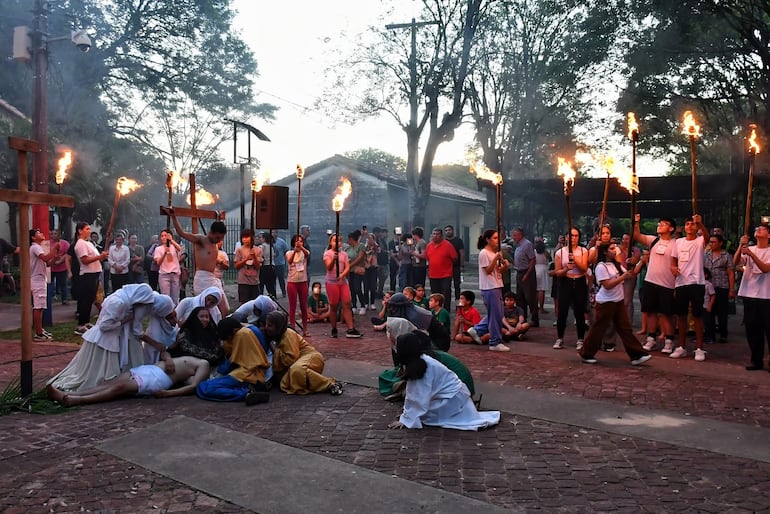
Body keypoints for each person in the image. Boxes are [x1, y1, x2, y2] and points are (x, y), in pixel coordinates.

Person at [49, 284, 159, 392]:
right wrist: (124, 321)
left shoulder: (123, 298)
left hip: (110, 338)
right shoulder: (118, 302)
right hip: (104, 340)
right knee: (98, 372)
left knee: (100, 371)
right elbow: (104, 326)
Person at [387, 331, 500, 430]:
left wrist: (407, 419)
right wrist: (408, 414)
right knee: (423, 413)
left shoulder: (421, 365)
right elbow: (415, 394)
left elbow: (417, 396)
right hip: (455, 396)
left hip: (453, 399)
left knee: (427, 417)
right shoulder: (421, 361)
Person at [578, 242, 651, 366]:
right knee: (598, 329)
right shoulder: (601, 266)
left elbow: (630, 274)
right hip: (606, 302)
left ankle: (637, 354)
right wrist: (622, 277)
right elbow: (607, 285)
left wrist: (634, 263)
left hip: (618, 300)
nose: (615, 250)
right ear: (605, 252)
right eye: (612, 248)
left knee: (625, 329)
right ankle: (586, 353)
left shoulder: (615, 265)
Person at [48, 356, 210, 406]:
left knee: (119, 387)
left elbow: (194, 386)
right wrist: (167, 357)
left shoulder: (203, 364)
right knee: (108, 384)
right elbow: (164, 349)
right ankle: (71, 393)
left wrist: (168, 393)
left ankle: (76, 400)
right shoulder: (189, 350)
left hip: (159, 379)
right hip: (149, 369)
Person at [195, 316, 271, 404]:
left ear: (234, 331)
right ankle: (247, 391)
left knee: (205, 387)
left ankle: (247, 392)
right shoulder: (245, 330)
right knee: (202, 387)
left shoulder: (242, 333)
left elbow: (233, 362)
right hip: (245, 374)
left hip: (247, 375)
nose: (228, 341)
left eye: (228, 338)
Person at [264, 311, 343, 395]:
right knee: (287, 379)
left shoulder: (288, 335)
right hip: (299, 361)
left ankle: (330, 384)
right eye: (266, 325)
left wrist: (275, 350)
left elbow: (291, 359)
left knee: (296, 370)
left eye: (270, 325)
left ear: (278, 326)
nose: (266, 328)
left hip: (312, 357)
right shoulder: (277, 336)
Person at [634, 213, 677, 354]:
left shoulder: (675, 244)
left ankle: (669, 341)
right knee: (651, 312)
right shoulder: (653, 241)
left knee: (665, 314)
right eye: (659, 224)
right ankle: (651, 339)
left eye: (663, 224)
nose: (659, 225)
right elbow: (637, 236)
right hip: (650, 282)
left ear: (671, 229)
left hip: (667, 284)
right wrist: (636, 222)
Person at [167, 207, 227, 306]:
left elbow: (217, 227)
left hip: (213, 278)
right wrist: (173, 216)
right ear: (211, 233)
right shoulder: (201, 240)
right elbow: (182, 233)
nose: (219, 240)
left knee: (224, 309)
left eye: (221, 238)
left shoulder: (215, 242)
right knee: (204, 307)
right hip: (202, 278)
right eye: (217, 237)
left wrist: (218, 218)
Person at [669, 214, 708, 361]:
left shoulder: (699, 241)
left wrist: (701, 223)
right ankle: (682, 347)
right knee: (681, 316)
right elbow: (673, 260)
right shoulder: (678, 242)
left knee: (697, 316)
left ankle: (699, 348)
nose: (690, 226)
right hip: (681, 283)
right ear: (684, 227)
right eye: (687, 224)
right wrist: (673, 267)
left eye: (692, 224)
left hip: (696, 282)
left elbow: (707, 236)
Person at [734, 225, 770, 371]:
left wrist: (751, 254)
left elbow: (765, 268)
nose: (758, 230)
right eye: (757, 228)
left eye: (763, 229)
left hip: (767, 295)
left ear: (769, 235)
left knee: (769, 329)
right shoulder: (750, 248)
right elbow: (736, 262)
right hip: (750, 293)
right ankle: (756, 360)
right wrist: (740, 246)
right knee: (753, 329)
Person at [553, 227, 589, 350]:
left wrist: (575, 259)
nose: (573, 238)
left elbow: (584, 268)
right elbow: (557, 272)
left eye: (576, 236)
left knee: (579, 311)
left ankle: (580, 339)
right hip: (565, 281)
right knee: (562, 312)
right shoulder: (560, 252)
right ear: (567, 237)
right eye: (571, 236)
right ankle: (560, 338)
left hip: (579, 281)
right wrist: (566, 269)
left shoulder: (583, 250)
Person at [478, 229, 511, 352]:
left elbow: (497, 270)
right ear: (488, 239)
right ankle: (495, 341)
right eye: (495, 238)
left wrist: (505, 266)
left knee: (498, 314)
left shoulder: (494, 253)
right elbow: (487, 270)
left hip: (496, 284)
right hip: (489, 287)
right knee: (495, 315)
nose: (497, 241)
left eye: (498, 238)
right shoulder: (484, 253)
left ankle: (477, 330)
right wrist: (495, 259)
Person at [324, 233, 362, 338]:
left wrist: (342, 275)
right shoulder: (328, 253)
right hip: (332, 282)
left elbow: (347, 267)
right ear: (331, 242)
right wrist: (333, 259)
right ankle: (334, 327)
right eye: (335, 240)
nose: (337, 243)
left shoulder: (344, 254)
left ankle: (350, 328)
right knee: (334, 305)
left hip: (343, 282)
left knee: (346, 303)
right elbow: (329, 267)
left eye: (339, 240)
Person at [73, 222, 109, 335]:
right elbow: (85, 260)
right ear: (80, 230)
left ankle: (86, 322)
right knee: (85, 300)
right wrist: (100, 256)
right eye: (87, 229)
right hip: (87, 275)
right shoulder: (80, 244)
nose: (89, 231)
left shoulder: (89, 243)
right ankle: (81, 324)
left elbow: (95, 258)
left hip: (94, 274)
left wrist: (102, 256)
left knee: (90, 300)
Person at [704, 233, 735, 344]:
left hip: (722, 286)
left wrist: (732, 289)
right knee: (709, 311)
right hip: (708, 288)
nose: (711, 244)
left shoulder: (726, 256)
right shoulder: (706, 255)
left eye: (714, 242)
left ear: (720, 243)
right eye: (710, 242)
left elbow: (731, 273)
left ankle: (723, 335)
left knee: (722, 312)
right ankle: (709, 335)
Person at [29, 229, 57, 341]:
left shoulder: (38, 247)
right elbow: (45, 258)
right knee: (38, 306)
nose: (41, 234)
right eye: (38, 233)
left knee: (40, 307)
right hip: (37, 279)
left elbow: (48, 263)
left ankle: (39, 329)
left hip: (40, 278)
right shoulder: (35, 247)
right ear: (33, 237)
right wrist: (54, 249)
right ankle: (38, 333)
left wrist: (54, 255)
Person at [425, 227, 458, 312]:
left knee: (446, 292)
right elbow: (427, 258)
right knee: (435, 294)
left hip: (445, 274)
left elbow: (454, 258)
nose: (435, 236)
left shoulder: (448, 245)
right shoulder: (429, 245)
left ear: (441, 235)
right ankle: (436, 310)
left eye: (437, 234)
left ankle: (446, 310)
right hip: (433, 274)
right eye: (434, 234)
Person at [512, 227, 539, 327]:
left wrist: (527, 274)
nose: (513, 237)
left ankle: (535, 319)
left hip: (527, 272)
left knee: (530, 297)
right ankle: (522, 318)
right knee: (520, 297)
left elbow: (532, 260)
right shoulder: (518, 246)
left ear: (520, 235)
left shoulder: (527, 244)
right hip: (519, 272)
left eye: (515, 235)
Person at [285, 233, 310, 335]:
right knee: (293, 306)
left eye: (300, 241)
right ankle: (293, 328)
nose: (298, 242)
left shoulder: (305, 252)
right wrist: (295, 251)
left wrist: (301, 248)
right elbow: (290, 261)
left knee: (304, 306)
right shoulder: (289, 253)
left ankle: (305, 329)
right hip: (292, 282)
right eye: (297, 241)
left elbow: (307, 254)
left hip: (303, 282)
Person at [154, 229, 183, 306]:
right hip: (164, 275)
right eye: (162, 236)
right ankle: (167, 315)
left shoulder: (173, 246)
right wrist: (165, 253)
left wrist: (171, 241)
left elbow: (180, 249)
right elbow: (158, 262)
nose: (163, 237)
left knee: (175, 298)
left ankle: (176, 314)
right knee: (166, 298)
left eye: (165, 235)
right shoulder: (158, 249)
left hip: (175, 273)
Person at [234, 228, 262, 304]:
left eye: (247, 237)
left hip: (254, 281)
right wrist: (246, 259)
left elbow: (258, 267)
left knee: (254, 304)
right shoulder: (239, 250)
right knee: (243, 303)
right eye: (243, 237)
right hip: (243, 281)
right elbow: (236, 266)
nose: (244, 239)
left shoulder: (258, 250)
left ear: (252, 237)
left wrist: (254, 257)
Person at [345, 230, 367, 315]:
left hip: (357, 270)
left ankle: (362, 305)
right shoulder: (349, 248)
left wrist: (350, 265)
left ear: (351, 239)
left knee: (357, 288)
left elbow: (360, 257)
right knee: (352, 289)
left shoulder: (361, 246)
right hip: (350, 271)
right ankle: (354, 305)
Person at [443, 225, 465, 302]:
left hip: (456, 266)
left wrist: (462, 265)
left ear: (452, 231)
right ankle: (447, 302)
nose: (447, 232)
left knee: (457, 285)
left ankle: (457, 302)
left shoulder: (458, 241)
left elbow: (461, 253)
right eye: (446, 230)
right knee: (446, 286)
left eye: (449, 230)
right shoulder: (444, 242)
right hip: (446, 267)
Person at [50, 229, 70, 305]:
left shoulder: (64, 243)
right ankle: (51, 297)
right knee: (50, 283)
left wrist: (61, 260)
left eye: (55, 233)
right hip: (51, 267)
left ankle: (64, 299)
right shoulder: (48, 243)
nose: (53, 235)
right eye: (52, 233)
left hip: (62, 268)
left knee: (63, 284)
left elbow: (67, 253)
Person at [534, 237, 551, 314]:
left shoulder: (534, 252)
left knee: (536, 289)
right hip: (543, 269)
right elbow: (550, 259)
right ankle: (541, 308)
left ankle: (536, 307)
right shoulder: (545, 253)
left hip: (536, 268)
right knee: (542, 290)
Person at [703, 267, 717, 344]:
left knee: (708, 323)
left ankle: (710, 337)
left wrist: (710, 305)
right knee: (701, 323)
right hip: (699, 306)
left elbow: (713, 295)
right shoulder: (697, 283)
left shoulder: (708, 284)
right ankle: (702, 336)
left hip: (706, 306)